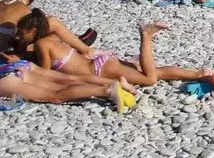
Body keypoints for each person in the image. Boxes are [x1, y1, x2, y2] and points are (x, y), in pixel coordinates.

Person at [16, 12, 208, 87]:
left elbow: (45, 72)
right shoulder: (53, 38)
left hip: (100, 70)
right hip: (102, 63)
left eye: (22, 33)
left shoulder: (43, 44)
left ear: (34, 31)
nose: (19, 36)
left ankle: (146, 36)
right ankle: (198, 74)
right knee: (151, 71)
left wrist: (22, 65)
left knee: (149, 79)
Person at [0, 0, 98, 53]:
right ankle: (84, 48)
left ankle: (76, 38)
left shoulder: (4, 2)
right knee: (52, 22)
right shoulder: (25, 10)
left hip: (5, 40)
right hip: (3, 45)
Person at [0, 58, 136, 110]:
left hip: (5, 80)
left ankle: (106, 91)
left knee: (55, 95)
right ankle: (116, 83)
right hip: (16, 66)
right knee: (70, 79)